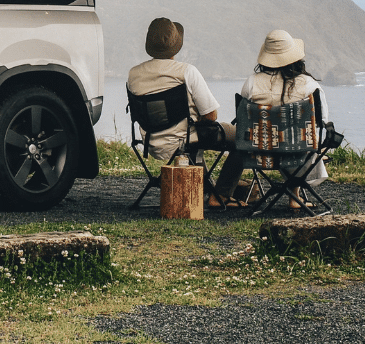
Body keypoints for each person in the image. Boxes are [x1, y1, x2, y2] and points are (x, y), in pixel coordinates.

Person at [127, 17, 245, 206]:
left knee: (196, 131)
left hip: (151, 141)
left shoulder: (134, 73)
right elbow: (211, 115)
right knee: (243, 137)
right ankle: (220, 195)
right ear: (176, 45)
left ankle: (206, 189)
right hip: (184, 142)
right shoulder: (186, 71)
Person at [239, 29, 330, 208]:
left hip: (260, 153)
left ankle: (294, 196)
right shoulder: (309, 85)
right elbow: (321, 121)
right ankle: (294, 197)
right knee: (298, 138)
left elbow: (243, 117)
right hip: (300, 153)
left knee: (280, 138)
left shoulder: (252, 83)